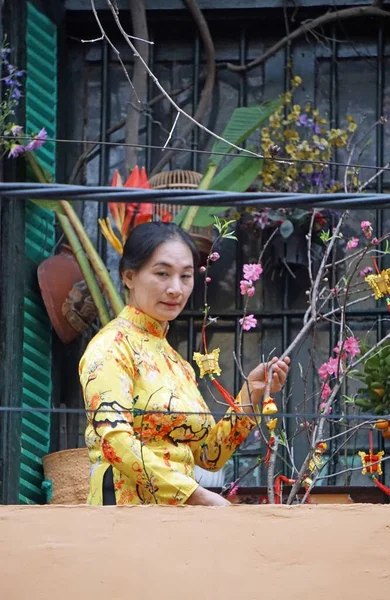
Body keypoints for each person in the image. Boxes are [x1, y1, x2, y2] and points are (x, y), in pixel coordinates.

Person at [79, 222, 290, 506]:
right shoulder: (111, 347)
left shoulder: (177, 363)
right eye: (162, 274)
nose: (175, 289)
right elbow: (114, 440)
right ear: (129, 276)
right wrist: (195, 495)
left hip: (177, 519)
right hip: (125, 512)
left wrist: (250, 395)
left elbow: (208, 455)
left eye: (186, 276)